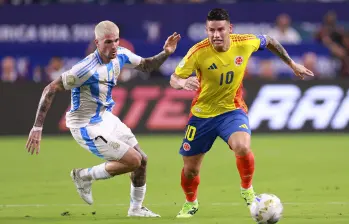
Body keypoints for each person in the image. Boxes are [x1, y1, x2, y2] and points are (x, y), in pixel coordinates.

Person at [25, 20, 181, 217]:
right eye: (108, 42)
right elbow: (50, 88)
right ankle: (83, 176)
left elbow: (146, 65)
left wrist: (166, 52)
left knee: (143, 160)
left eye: (116, 40)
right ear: (97, 43)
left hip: (105, 117)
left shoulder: (121, 55)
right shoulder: (85, 69)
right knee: (133, 160)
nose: (113, 45)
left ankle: (135, 209)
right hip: (84, 125)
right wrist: (37, 127)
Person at [169, 8, 313, 218]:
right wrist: (182, 82)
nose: (216, 35)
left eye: (220, 29)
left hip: (232, 111)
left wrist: (291, 64)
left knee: (243, 147)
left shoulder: (244, 42)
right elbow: (173, 77)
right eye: (211, 30)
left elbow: (271, 40)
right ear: (206, 30)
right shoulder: (198, 51)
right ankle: (190, 203)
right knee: (190, 169)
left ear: (230, 29)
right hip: (202, 116)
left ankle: (247, 189)